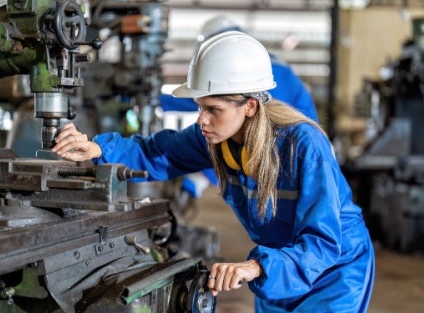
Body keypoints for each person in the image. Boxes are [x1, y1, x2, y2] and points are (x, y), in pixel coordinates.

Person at [52, 31, 375, 312]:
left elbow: (323, 241)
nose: (202, 120)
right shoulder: (214, 139)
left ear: (249, 106)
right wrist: (98, 149)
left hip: (333, 270)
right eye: (200, 108)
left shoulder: (302, 145)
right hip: (276, 269)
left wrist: (256, 266)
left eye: (213, 110)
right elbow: (156, 152)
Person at [161, 14, 319, 200]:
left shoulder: (263, 73)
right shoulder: (236, 81)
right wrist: (157, 99)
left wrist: (200, 178)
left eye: (213, 110)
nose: (202, 119)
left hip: (295, 159)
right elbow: (208, 100)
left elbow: (267, 123)